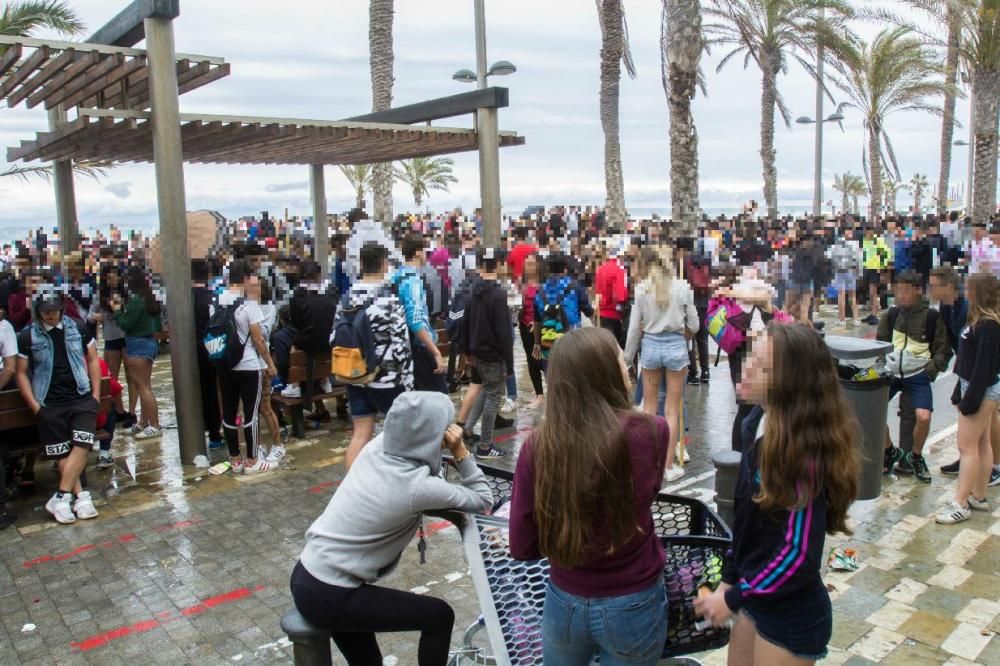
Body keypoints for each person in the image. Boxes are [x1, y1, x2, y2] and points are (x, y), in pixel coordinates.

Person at [694, 323, 859, 666]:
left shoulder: (803, 455)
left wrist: (737, 595)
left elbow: (798, 555)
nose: (749, 366)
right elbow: (746, 525)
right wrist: (729, 580)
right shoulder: (754, 424)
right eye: (754, 354)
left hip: (790, 616)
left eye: (764, 366)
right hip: (756, 599)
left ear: (789, 385)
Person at [291, 391, 493, 665]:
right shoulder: (417, 487)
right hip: (333, 594)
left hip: (308, 575)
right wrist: (459, 450)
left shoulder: (380, 446)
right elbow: (483, 500)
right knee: (439, 616)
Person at [510, 328, 669, 665]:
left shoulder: (538, 447)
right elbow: (651, 487)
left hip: (564, 599)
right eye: (620, 362)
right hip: (634, 599)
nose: (627, 368)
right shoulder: (653, 431)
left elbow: (521, 544)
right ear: (608, 375)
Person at [15, 291, 103, 525]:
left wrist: (95, 394)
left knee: (83, 443)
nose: (52, 316)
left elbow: (93, 359)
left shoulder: (77, 327)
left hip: (81, 396)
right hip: (49, 401)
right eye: (46, 312)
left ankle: (60, 496)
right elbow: (20, 372)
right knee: (63, 451)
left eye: (55, 311)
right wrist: (35, 406)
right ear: (38, 313)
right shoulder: (27, 336)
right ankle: (80, 496)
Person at [624, 246, 699, 483]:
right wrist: (683, 336)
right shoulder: (683, 288)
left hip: (651, 346)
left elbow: (635, 329)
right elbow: (695, 324)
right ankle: (667, 466)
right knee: (671, 410)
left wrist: (627, 359)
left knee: (648, 408)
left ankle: (647, 462)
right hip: (676, 345)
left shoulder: (642, 290)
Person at [342, 243, 414, 469]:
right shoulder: (389, 300)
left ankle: (352, 489)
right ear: (384, 264)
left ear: (362, 264)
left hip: (355, 373)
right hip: (387, 379)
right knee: (400, 436)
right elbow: (402, 345)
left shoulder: (346, 298)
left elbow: (336, 335)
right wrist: (410, 385)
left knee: (360, 433)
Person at [937, 273, 1000, 524]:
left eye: (970, 288)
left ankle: (960, 503)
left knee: (967, 447)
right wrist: (958, 391)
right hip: (974, 388)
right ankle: (978, 495)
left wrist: (969, 402)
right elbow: (967, 363)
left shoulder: (988, 326)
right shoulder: (980, 321)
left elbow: (984, 369)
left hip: (981, 392)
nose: (966, 291)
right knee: (982, 443)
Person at [879, 269, 953, 482]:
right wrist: (884, 366)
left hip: (917, 375)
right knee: (874, 411)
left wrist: (930, 372)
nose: (901, 295)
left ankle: (916, 456)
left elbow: (943, 349)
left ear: (917, 291)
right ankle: (889, 451)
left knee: (923, 416)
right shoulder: (891, 315)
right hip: (892, 373)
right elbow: (880, 345)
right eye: (898, 290)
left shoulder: (931, 317)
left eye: (906, 291)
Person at [214, 260, 279, 475]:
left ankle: (235, 459)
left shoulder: (217, 301)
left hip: (225, 364)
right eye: (251, 275)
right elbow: (259, 340)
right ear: (244, 278)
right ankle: (252, 461)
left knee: (230, 413)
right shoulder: (249, 304)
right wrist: (269, 364)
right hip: (249, 365)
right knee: (251, 414)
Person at [458, 248, 514, 459]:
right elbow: (504, 332)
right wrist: (508, 363)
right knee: (493, 396)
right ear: (498, 265)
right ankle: (485, 445)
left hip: (477, 350)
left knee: (484, 390)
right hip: (492, 353)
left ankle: (469, 427)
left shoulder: (474, 290)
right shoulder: (498, 295)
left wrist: (467, 351)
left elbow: (466, 322)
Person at [112, 267, 163, 440]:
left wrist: (117, 311)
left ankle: (154, 424)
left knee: (143, 387)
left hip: (137, 344)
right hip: (149, 342)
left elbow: (126, 324)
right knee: (144, 387)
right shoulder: (150, 298)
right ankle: (143, 422)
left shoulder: (136, 301)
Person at [395, 235, 448, 393]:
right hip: (420, 347)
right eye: (425, 251)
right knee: (439, 398)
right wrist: (435, 351)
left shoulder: (397, 276)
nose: (427, 255)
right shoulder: (413, 280)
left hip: (404, 346)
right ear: (418, 253)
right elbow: (415, 319)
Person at [191, 259, 223, 450]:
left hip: (189, 351)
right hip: (210, 348)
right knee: (212, 391)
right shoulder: (212, 297)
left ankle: (200, 427)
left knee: (196, 391)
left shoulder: (184, 299)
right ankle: (214, 433)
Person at [517, 251, 545, 406]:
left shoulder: (544, 283)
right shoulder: (522, 283)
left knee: (544, 359)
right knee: (531, 359)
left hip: (540, 325)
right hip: (524, 325)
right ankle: (539, 394)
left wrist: (538, 323)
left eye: (531, 264)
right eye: (526, 264)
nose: (528, 267)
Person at [595, 238, 629, 347]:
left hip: (602, 313)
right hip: (614, 314)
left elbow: (597, 292)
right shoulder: (619, 269)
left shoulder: (600, 269)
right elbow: (621, 296)